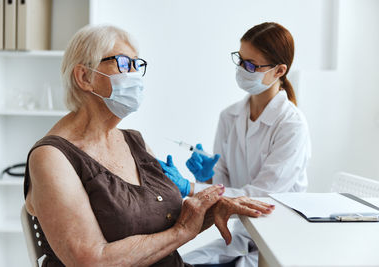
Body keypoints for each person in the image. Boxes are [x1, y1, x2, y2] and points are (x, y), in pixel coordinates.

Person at [23, 24, 275, 267]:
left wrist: (215, 207)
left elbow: (165, 222)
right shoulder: (52, 157)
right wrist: (183, 231)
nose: (133, 74)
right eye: (123, 63)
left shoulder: (134, 141)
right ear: (84, 76)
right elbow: (90, 260)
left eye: (136, 64)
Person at [158, 22, 311, 266]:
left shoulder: (291, 125)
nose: (242, 69)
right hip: (241, 237)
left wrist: (190, 187)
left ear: (279, 71)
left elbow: (261, 198)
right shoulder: (229, 116)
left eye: (251, 65)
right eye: (240, 60)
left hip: (280, 241)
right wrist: (208, 178)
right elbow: (226, 187)